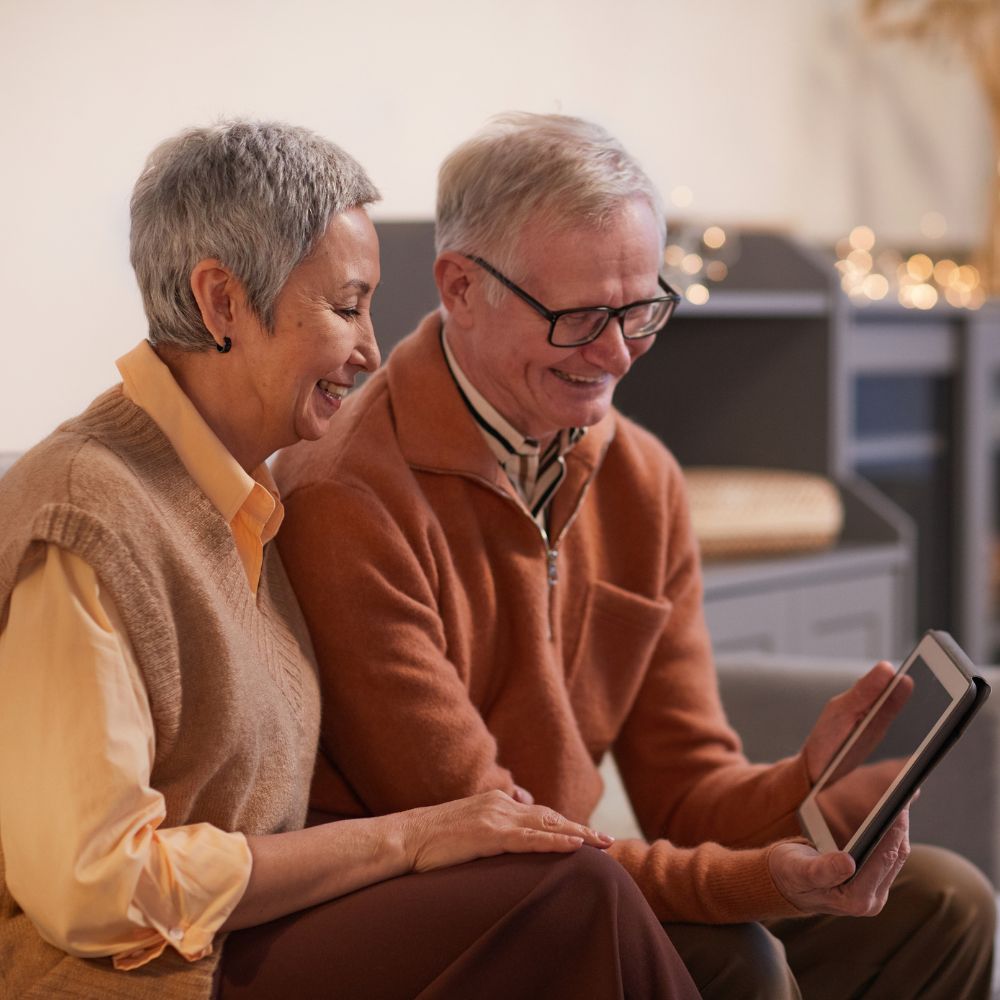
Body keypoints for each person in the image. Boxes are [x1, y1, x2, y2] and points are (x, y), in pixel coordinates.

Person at [273, 112, 998, 999]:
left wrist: (812, 783)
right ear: (460, 287)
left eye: (641, 308)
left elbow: (688, 792)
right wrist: (762, 881)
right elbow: (503, 837)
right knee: (735, 957)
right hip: (438, 913)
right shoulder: (347, 496)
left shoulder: (641, 478)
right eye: (580, 317)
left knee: (946, 906)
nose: (618, 355)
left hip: (573, 880)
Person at [0, 120, 701, 1000]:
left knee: (641, 926)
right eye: (345, 307)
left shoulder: (236, 499)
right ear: (222, 304)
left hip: (256, 936)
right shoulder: (85, 516)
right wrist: (405, 840)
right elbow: (91, 888)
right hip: (148, 978)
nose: (370, 349)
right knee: (575, 899)